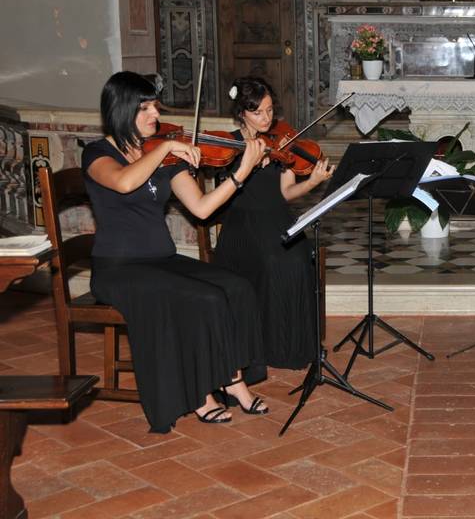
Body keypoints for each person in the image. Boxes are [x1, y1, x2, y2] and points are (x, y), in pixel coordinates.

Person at [83, 71, 270, 433]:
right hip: (118, 268)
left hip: (161, 260)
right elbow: (124, 182)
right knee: (202, 298)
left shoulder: (160, 152)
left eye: (155, 106)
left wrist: (240, 174)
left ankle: (232, 381)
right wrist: (168, 148)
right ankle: (201, 393)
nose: (155, 114)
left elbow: (201, 208)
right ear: (122, 110)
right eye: (146, 108)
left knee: (236, 287)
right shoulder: (98, 153)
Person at [214, 77, 334, 373]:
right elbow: (222, 196)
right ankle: (269, 347)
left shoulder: (281, 142)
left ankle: (296, 346)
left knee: (298, 255)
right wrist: (247, 164)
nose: (267, 119)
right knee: (275, 261)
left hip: (276, 217)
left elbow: (286, 193)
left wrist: (314, 181)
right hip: (243, 224)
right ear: (242, 113)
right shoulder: (228, 145)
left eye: (270, 110)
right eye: (258, 113)